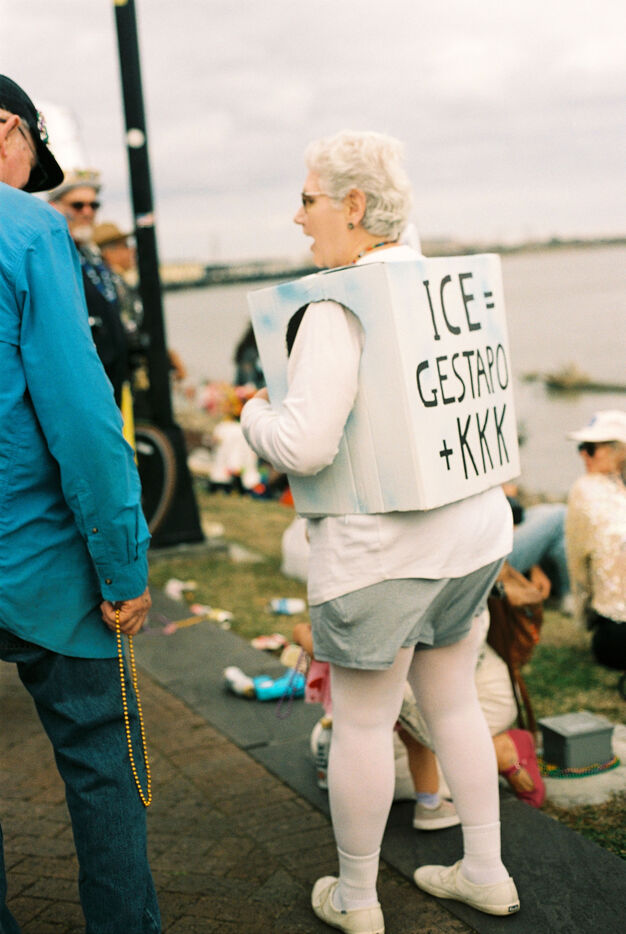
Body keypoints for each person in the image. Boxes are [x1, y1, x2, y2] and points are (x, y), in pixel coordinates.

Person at [241, 130, 520, 932]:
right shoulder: (437, 286)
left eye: (308, 200)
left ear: (354, 205)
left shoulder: (338, 306)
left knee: (363, 722)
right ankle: (486, 869)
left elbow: (305, 445)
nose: (298, 218)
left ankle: (358, 898)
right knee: (454, 705)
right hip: (473, 538)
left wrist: (255, 414)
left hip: (382, 555)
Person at [0, 76, 160, 933]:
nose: (30, 182)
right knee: (101, 758)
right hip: (37, 551)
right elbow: (83, 417)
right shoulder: (28, 230)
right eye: (31, 160)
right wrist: (124, 566)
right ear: (7, 131)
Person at [48, 170, 131, 405]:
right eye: (78, 205)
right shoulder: (52, 256)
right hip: (80, 394)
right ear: (54, 208)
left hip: (112, 387)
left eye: (94, 205)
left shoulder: (91, 258)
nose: (88, 212)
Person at [565, 410, 626, 669]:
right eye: (582, 447)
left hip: (617, 639)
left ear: (618, 451)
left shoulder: (585, 488)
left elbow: (578, 569)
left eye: (590, 448)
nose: (583, 455)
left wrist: (584, 619)